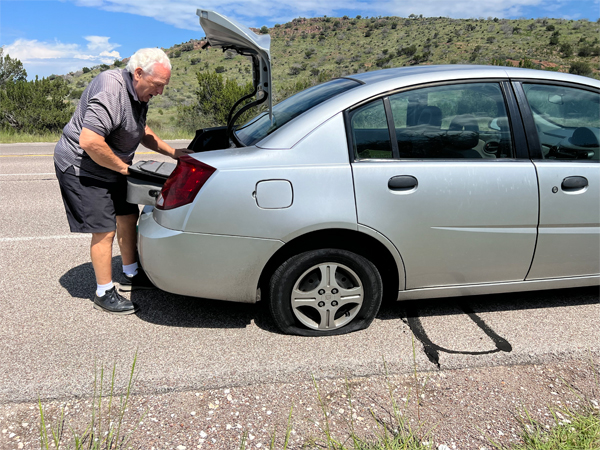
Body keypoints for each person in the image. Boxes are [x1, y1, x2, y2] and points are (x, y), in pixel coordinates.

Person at [54, 48, 191, 315]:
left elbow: (142, 131)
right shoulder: (111, 90)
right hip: (82, 166)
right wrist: (125, 170)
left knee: (128, 214)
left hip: (110, 163)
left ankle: (131, 273)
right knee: (104, 229)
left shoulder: (139, 93)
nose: (160, 92)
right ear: (138, 73)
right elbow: (90, 141)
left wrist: (175, 153)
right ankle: (104, 292)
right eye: (158, 86)